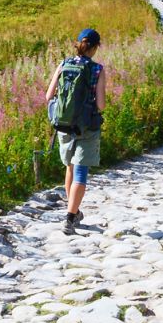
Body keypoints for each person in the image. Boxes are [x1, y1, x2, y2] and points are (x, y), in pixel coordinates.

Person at [45, 29, 107, 236]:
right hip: (87, 126)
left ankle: (73, 210)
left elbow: (48, 95)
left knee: (70, 167)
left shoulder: (63, 64)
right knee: (81, 171)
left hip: (64, 125)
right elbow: (101, 104)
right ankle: (70, 218)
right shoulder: (97, 69)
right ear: (96, 47)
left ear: (79, 44)